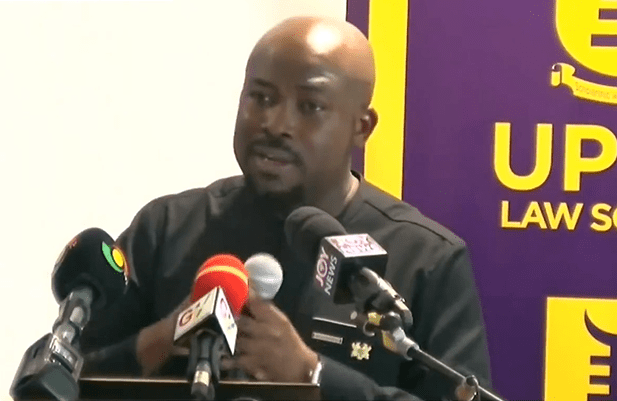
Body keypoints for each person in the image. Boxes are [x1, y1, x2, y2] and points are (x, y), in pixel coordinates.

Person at [81, 16, 492, 401]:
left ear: (361, 127)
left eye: (310, 107)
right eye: (260, 98)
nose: (275, 124)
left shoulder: (426, 259)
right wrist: (161, 340)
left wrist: (312, 373)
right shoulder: (167, 228)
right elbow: (58, 376)